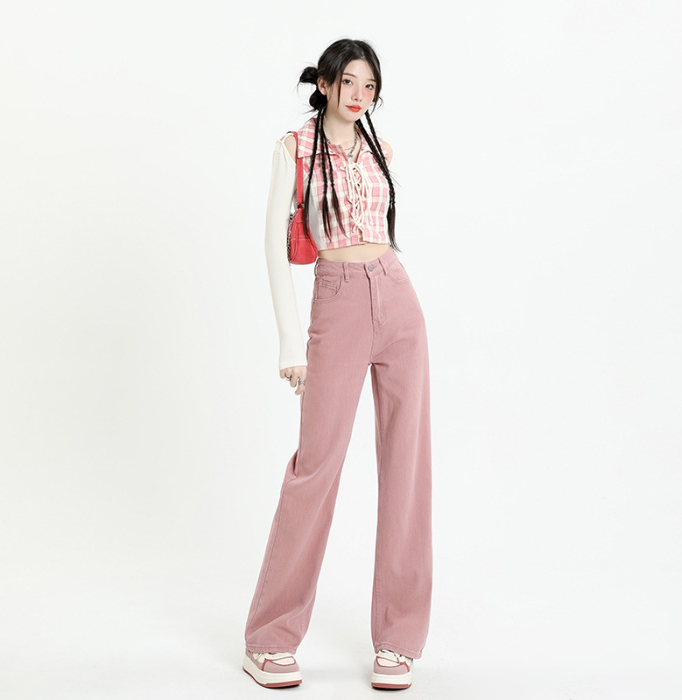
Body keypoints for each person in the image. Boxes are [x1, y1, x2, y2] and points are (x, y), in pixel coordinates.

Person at [242, 38, 432, 691]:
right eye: (348, 81)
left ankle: (399, 640)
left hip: (397, 297)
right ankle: (269, 637)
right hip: (339, 300)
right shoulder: (293, 148)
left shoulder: (378, 148)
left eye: (369, 85)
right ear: (323, 83)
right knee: (315, 468)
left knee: (407, 466)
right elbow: (274, 245)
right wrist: (290, 342)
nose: (359, 95)